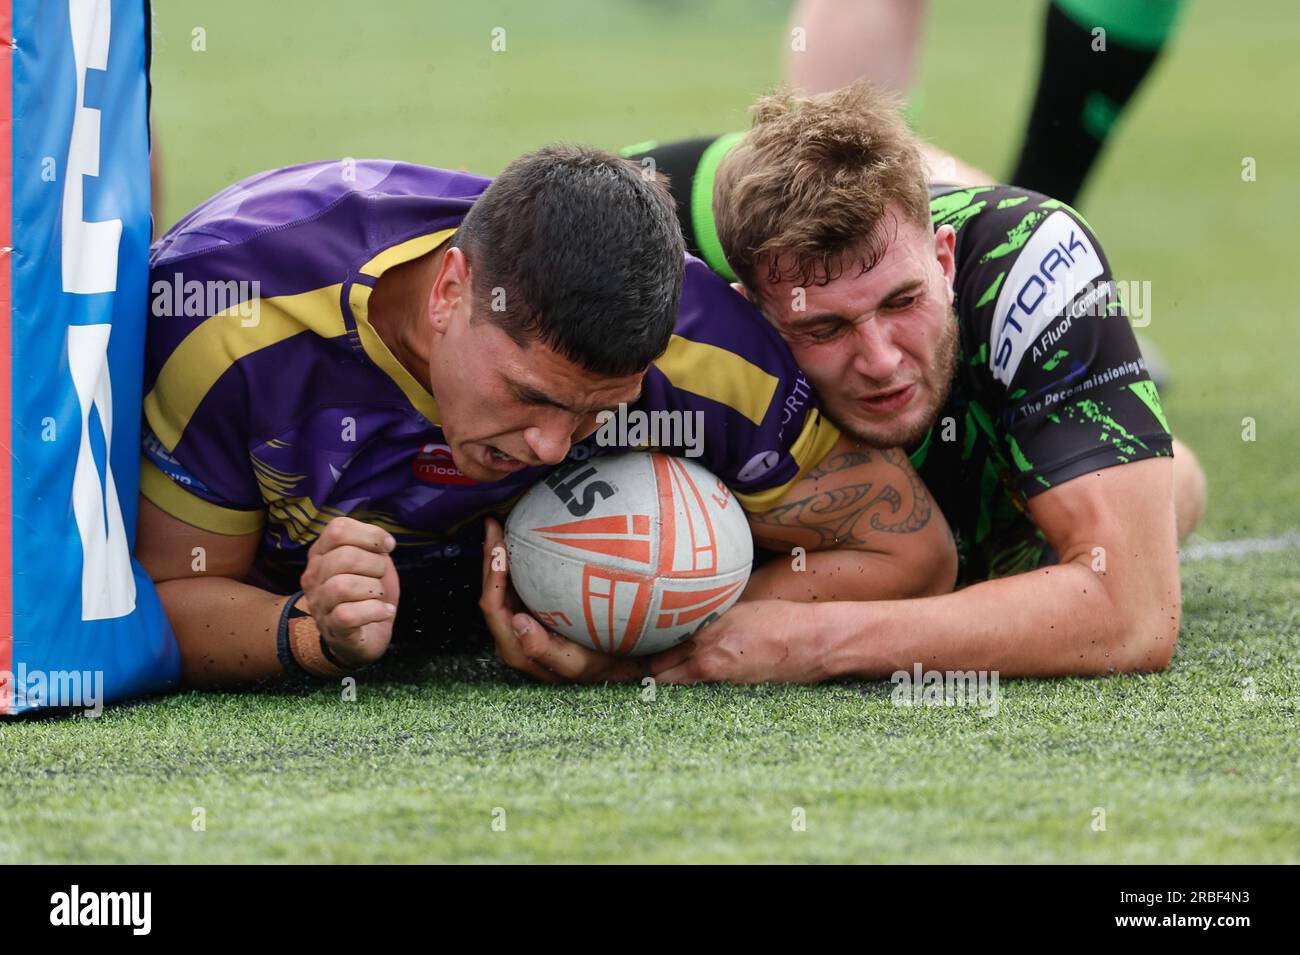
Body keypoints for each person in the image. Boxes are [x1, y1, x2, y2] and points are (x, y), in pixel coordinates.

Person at [136, 145, 957, 687]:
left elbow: (908, 549)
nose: (548, 446)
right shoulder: (228, 314)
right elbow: (166, 591)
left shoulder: (703, 347)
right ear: (453, 291)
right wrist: (312, 632)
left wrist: (653, 642)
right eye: (530, 394)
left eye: (599, 414)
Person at [493, 82, 1207, 683]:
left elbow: (1134, 616)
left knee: (1176, 484)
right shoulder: (678, 305)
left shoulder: (1029, 258)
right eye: (825, 330)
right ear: (752, 317)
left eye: (902, 303)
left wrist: (810, 641)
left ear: (945, 257)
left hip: (1005, 497)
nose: (881, 360)